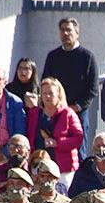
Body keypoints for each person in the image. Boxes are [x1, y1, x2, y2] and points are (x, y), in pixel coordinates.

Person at [42, 18, 99, 160]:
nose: (66, 33)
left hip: (78, 113)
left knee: (79, 152)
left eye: (69, 30)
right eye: (62, 30)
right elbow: (45, 82)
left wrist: (76, 107)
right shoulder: (53, 56)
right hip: (54, 113)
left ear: (77, 33)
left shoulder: (87, 57)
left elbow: (92, 89)